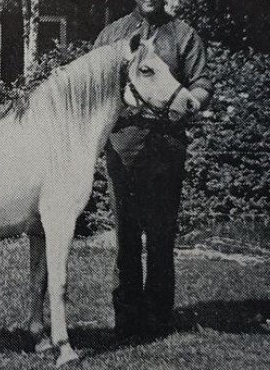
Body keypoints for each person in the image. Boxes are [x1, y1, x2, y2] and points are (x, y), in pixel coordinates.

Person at [93, 0, 213, 337]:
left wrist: (192, 99)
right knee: (127, 238)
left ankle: (158, 319)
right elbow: (95, 88)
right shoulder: (111, 35)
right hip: (124, 145)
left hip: (166, 150)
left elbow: (202, 83)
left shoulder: (182, 35)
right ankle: (127, 319)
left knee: (161, 237)